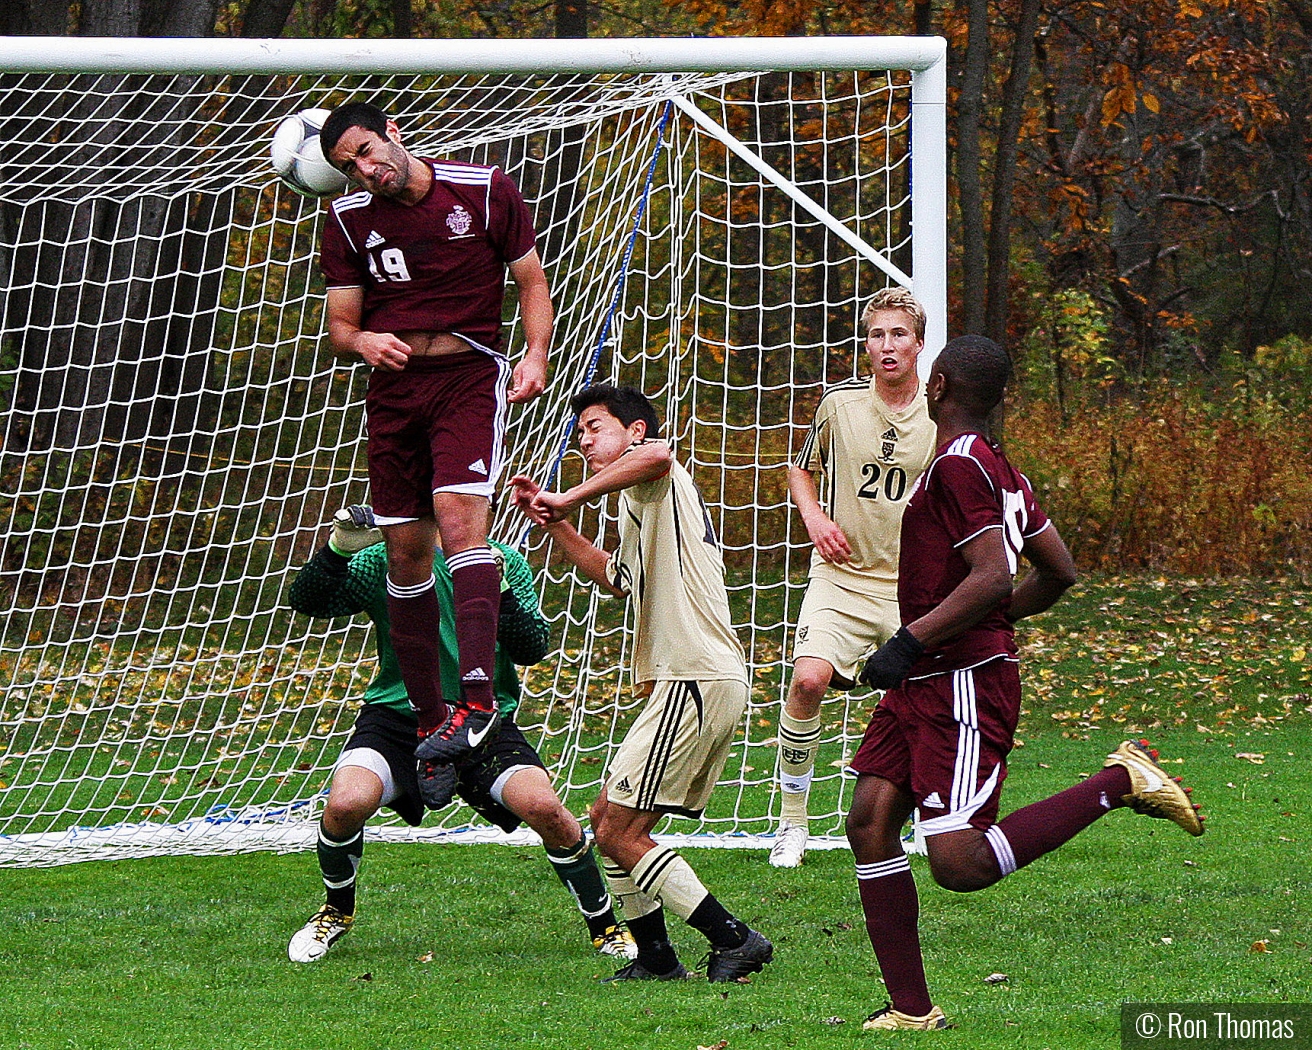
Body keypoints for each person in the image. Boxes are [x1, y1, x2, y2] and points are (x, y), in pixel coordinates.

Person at [845, 336, 1204, 1030]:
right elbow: (1059, 571)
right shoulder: (997, 467)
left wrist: (919, 637)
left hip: (961, 685)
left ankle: (1120, 782)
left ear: (940, 384)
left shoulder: (958, 468)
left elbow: (992, 576)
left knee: (960, 863)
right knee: (869, 822)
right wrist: (942, 638)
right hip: (927, 679)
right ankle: (912, 1011)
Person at [317, 101, 554, 791]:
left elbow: (531, 280)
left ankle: (477, 704)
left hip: (468, 379)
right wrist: (363, 340)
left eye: (366, 150)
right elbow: (339, 324)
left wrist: (535, 355)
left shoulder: (481, 190)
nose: (366, 171)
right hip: (394, 397)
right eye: (348, 167)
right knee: (402, 552)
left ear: (393, 131)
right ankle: (429, 727)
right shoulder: (346, 221)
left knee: (459, 525)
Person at [284, 505, 635, 964]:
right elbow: (307, 602)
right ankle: (336, 912)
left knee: (547, 810)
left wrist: (502, 587)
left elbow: (532, 648)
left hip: (482, 723)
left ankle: (605, 925)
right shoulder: (382, 559)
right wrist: (335, 550)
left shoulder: (502, 559)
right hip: (396, 720)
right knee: (345, 805)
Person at [509, 385, 773, 983]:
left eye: (594, 426)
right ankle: (655, 957)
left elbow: (657, 456)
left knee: (619, 831)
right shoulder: (635, 504)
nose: (583, 438)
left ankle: (734, 939)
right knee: (608, 818)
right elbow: (614, 576)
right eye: (580, 430)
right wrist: (559, 522)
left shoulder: (655, 471)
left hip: (695, 675)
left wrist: (568, 493)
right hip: (692, 680)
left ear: (634, 431)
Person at [768, 287, 938, 869]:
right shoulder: (838, 405)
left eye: (898, 335)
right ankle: (792, 824)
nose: (886, 346)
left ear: (918, 345)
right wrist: (814, 517)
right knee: (808, 682)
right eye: (876, 335)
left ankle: (923, 817)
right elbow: (798, 467)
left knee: (924, 701)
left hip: (912, 589)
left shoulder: (941, 415)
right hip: (842, 577)